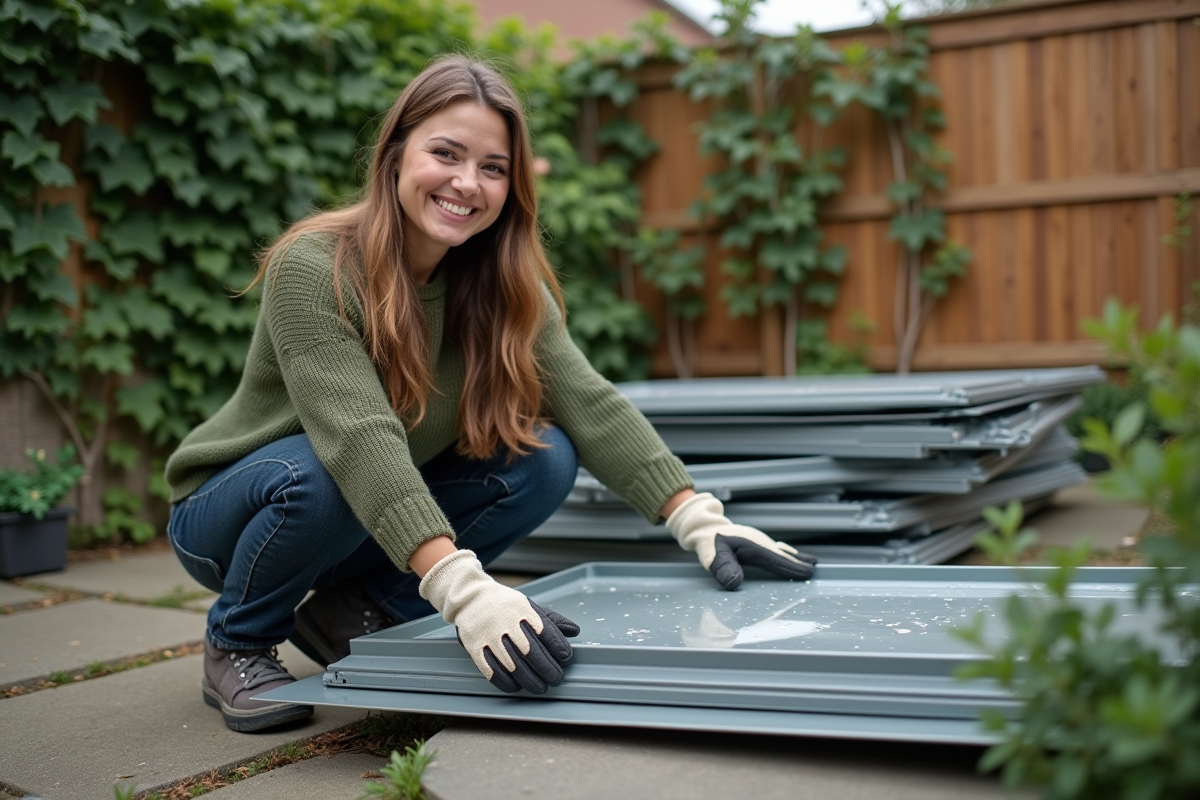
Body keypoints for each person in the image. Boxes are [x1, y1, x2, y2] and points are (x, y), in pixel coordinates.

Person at [163, 54, 815, 734]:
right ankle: (238, 640)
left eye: (493, 167)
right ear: (395, 156)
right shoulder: (315, 268)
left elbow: (588, 400)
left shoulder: (503, 284)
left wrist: (698, 518)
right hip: (235, 513)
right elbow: (358, 438)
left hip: (352, 513)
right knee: (321, 470)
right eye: (445, 153)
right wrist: (465, 592)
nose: (467, 183)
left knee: (544, 456)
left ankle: (357, 611)